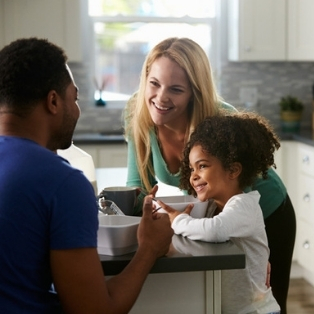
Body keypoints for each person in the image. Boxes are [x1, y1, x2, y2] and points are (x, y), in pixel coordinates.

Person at [0, 37, 173, 314]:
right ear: (53, 101)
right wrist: (149, 249)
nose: (77, 109)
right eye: (75, 98)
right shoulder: (62, 183)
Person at [124, 37, 296, 313]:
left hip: (265, 211)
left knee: (265, 303)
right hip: (219, 217)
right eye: (154, 83)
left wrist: (257, 249)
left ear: (195, 92)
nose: (160, 97)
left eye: (176, 89)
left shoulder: (219, 120)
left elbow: (237, 189)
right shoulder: (138, 111)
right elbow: (139, 187)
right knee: (226, 300)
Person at [157, 112, 281, 313]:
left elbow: (214, 231)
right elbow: (197, 228)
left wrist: (178, 220)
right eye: (191, 169)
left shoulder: (244, 206)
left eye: (202, 166)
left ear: (233, 171)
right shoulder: (213, 206)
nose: (193, 176)